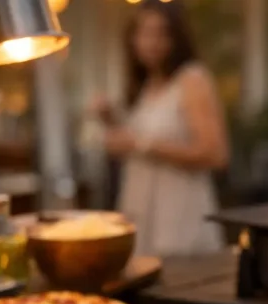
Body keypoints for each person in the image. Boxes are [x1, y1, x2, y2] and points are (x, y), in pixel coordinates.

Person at [93, 0, 228, 257]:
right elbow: (142, 137)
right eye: (144, 32)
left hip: (179, 220)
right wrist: (111, 120)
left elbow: (215, 154)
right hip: (142, 217)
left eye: (160, 33)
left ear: (176, 38)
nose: (151, 42)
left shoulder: (192, 79)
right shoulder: (147, 84)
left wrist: (140, 145)